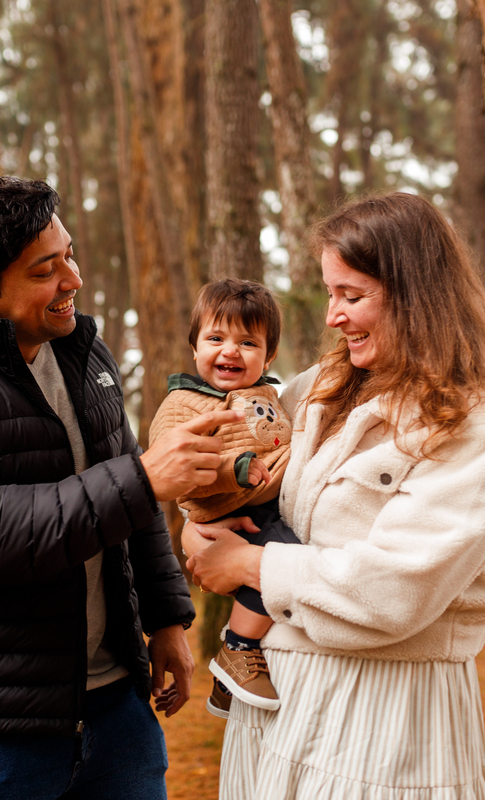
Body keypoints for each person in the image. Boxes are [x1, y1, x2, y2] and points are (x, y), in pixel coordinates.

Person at [0, 175, 245, 800]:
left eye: (69, 255)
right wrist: (143, 477)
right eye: (45, 270)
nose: (73, 280)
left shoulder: (82, 352)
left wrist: (167, 619)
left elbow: (135, 500)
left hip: (114, 715)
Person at [184, 191, 485, 799]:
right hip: (274, 702)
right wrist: (201, 521)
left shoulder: (479, 420)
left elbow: (398, 587)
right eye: (330, 294)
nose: (333, 317)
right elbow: (232, 452)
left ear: (415, 295)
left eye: (351, 296)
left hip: (388, 716)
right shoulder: (323, 385)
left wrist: (247, 565)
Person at [148, 279, 302, 719]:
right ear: (195, 347)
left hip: (266, 504)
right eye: (216, 338)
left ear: (269, 356)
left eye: (248, 342)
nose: (230, 351)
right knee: (282, 561)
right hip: (232, 510)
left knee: (282, 565)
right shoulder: (184, 403)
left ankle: (224, 684)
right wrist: (232, 469)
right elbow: (177, 470)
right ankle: (238, 646)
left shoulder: (269, 394)